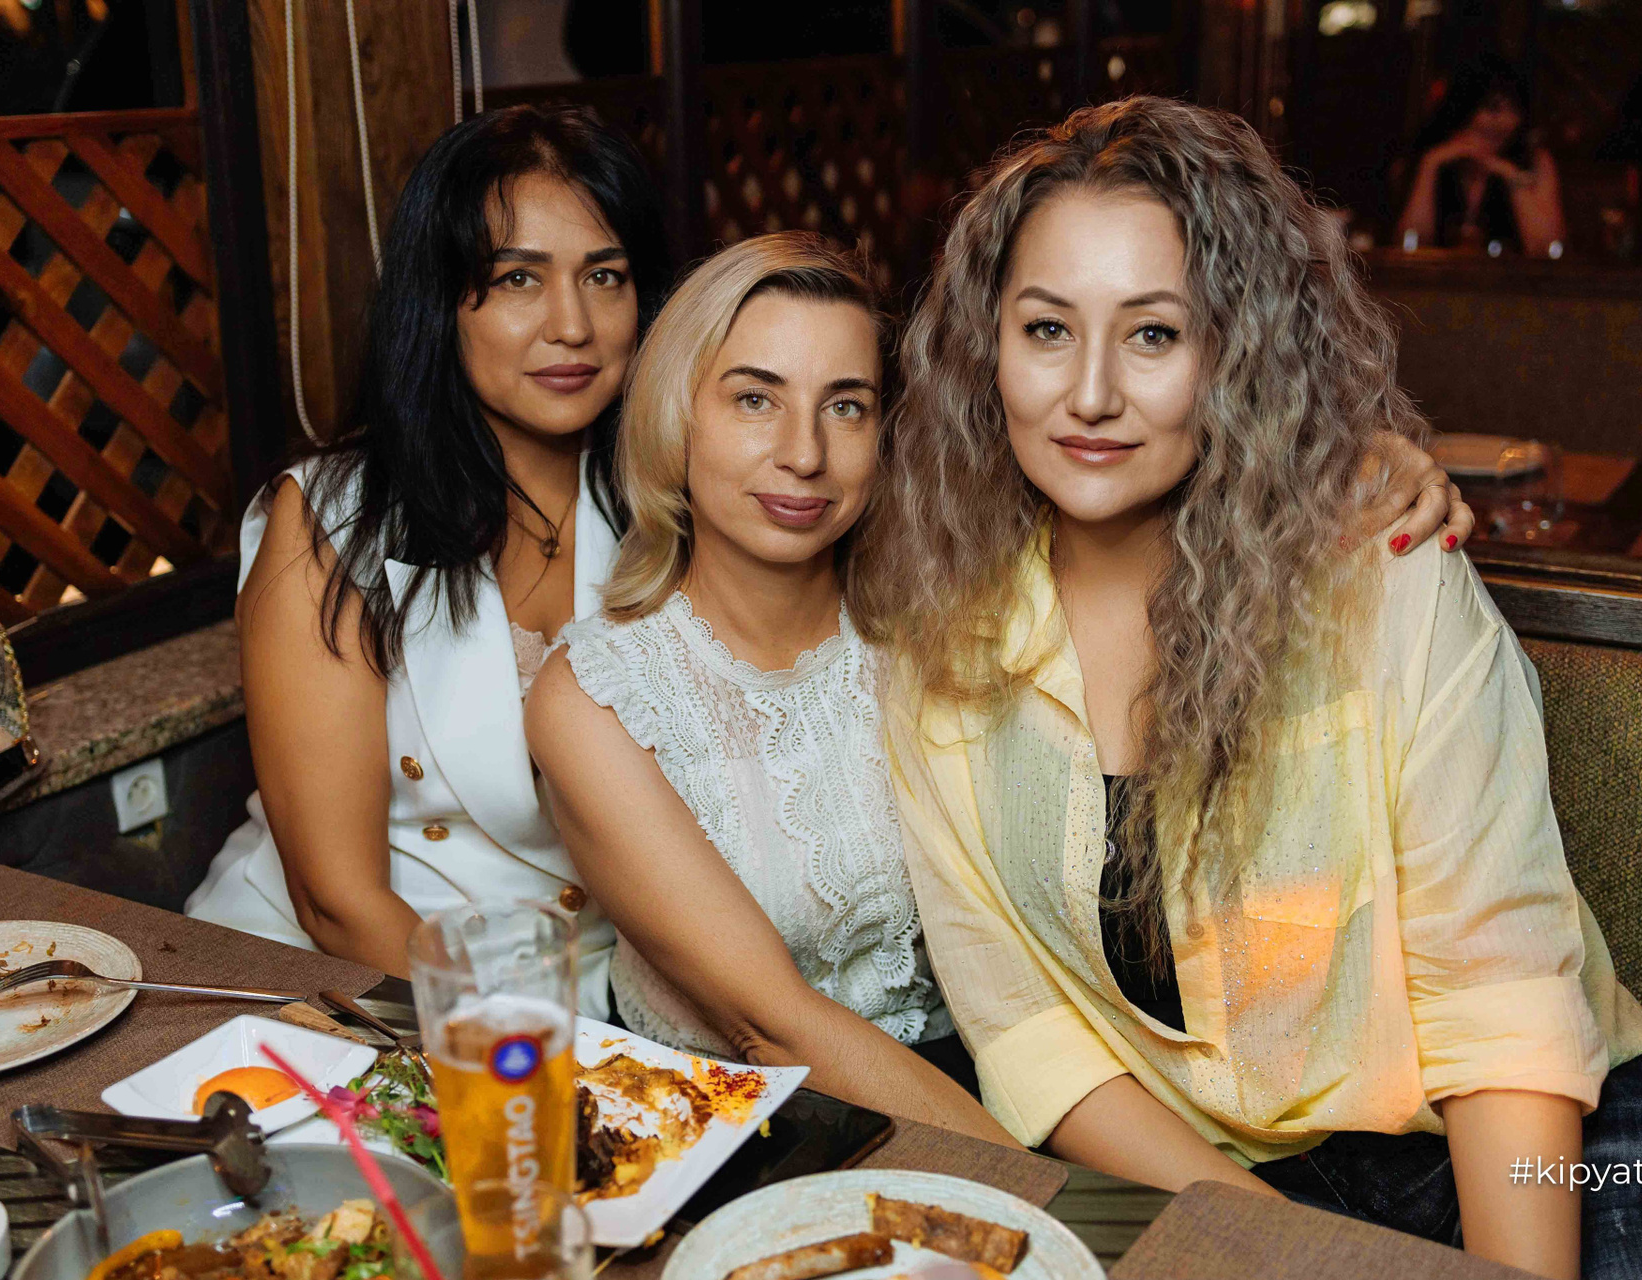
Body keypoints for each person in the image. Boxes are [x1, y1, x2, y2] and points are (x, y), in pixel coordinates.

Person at [865, 97, 1642, 1279]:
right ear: (987, 348)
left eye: (1153, 334)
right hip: (1206, 1166)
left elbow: (1498, 1000)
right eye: (1046, 329)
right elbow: (1032, 1035)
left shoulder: (1383, 574)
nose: (1088, 392)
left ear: (1237, 353)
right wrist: (1287, 1248)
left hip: (1553, 1140)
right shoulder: (936, 645)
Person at [526, 230, 1473, 1138]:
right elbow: (767, 1026)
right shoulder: (599, 698)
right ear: (675, 416)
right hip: (727, 1122)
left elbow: (1148, 485)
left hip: (1011, 1081)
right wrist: (1058, 1194)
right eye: (753, 400)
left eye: (846, 406)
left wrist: (1355, 463)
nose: (804, 453)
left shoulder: (944, 617)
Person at [185, 105, 672, 1014]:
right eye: (518, 278)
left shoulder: (677, 503)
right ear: (440, 301)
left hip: (605, 993)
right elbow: (336, 900)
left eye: (604, 276)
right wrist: (522, 1053)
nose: (573, 325)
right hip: (348, 986)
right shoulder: (335, 520)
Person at [1396, 55, 1564, 257]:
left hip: (1511, 277)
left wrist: (1510, 174)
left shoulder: (1533, 160)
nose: (1506, 122)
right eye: (1493, 108)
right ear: (1464, 109)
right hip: (1436, 277)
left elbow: (1546, 248)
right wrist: (1430, 165)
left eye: (1514, 110)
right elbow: (1410, 243)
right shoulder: (1427, 157)